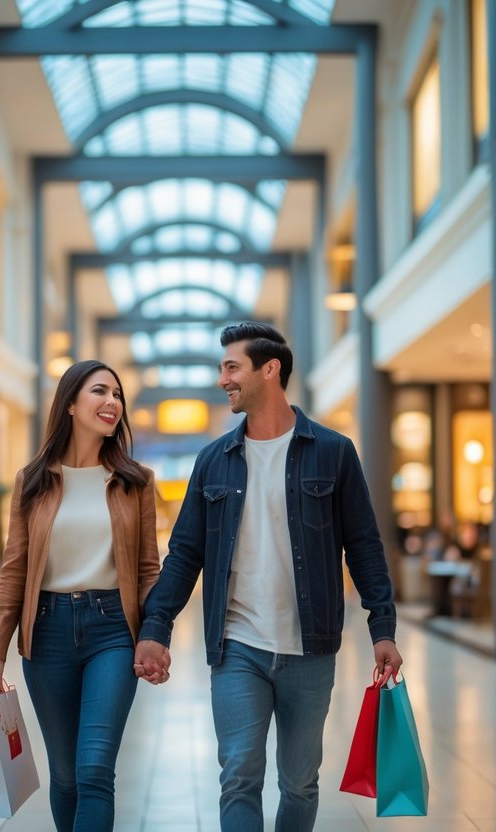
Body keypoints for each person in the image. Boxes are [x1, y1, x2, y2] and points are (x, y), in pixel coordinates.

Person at [133, 322, 402, 832]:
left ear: (270, 369)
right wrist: (155, 628)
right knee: (239, 775)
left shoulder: (333, 451)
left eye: (231, 367)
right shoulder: (213, 460)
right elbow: (185, 553)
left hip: (311, 648)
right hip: (237, 646)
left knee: (300, 782)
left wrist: (382, 627)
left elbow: (363, 545)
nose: (223, 379)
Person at [0, 359, 160, 832]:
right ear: (70, 405)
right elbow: (14, 570)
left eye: (118, 395)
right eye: (100, 391)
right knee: (65, 776)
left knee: (95, 769)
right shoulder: (34, 480)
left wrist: (155, 634)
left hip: (113, 631)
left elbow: (147, 570)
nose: (113, 402)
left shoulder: (135, 481)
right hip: (47, 632)